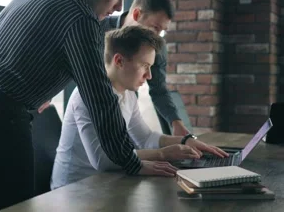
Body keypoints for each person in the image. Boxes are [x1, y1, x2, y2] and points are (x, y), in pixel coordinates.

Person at [0, 0, 173, 212]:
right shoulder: (81, 17)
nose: (119, 7)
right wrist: (131, 161)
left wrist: (33, 89)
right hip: (0, 117)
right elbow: (100, 97)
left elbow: (22, 45)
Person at [50, 26, 228, 190]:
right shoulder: (87, 95)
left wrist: (184, 141)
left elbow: (145, 137)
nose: (149, 76)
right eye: (145, 66)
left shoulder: (128, 95)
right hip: (73, 190)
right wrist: (162, 154)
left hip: (106, 182)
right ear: (119, 61)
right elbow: (103, 160)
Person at [101, 0, 190, 136]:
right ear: (136, 15)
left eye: (162, 31)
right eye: (155, 27)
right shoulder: (98, 29)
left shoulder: (156, 47)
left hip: (126, 118)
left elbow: (159, 90)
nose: (158, 36)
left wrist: (176, 123)